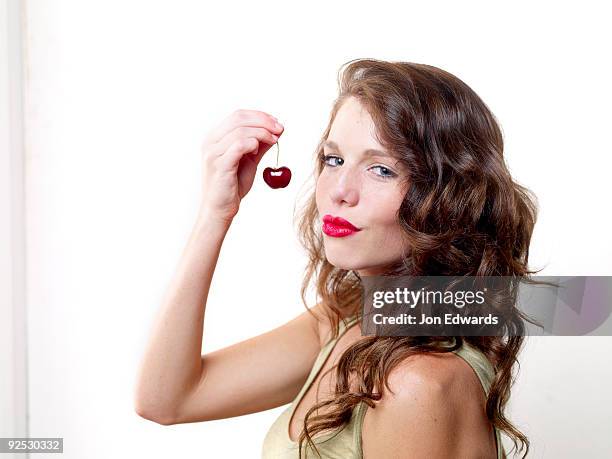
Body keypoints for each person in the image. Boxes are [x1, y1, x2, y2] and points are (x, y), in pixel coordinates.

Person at [134, 58, 537, 458]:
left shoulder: (417, 383)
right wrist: (215, 214)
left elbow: (587, 310)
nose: (340, 190)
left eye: (381, 170)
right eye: (334, 159)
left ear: (448, 200)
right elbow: (167, 400)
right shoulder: (350, 317)